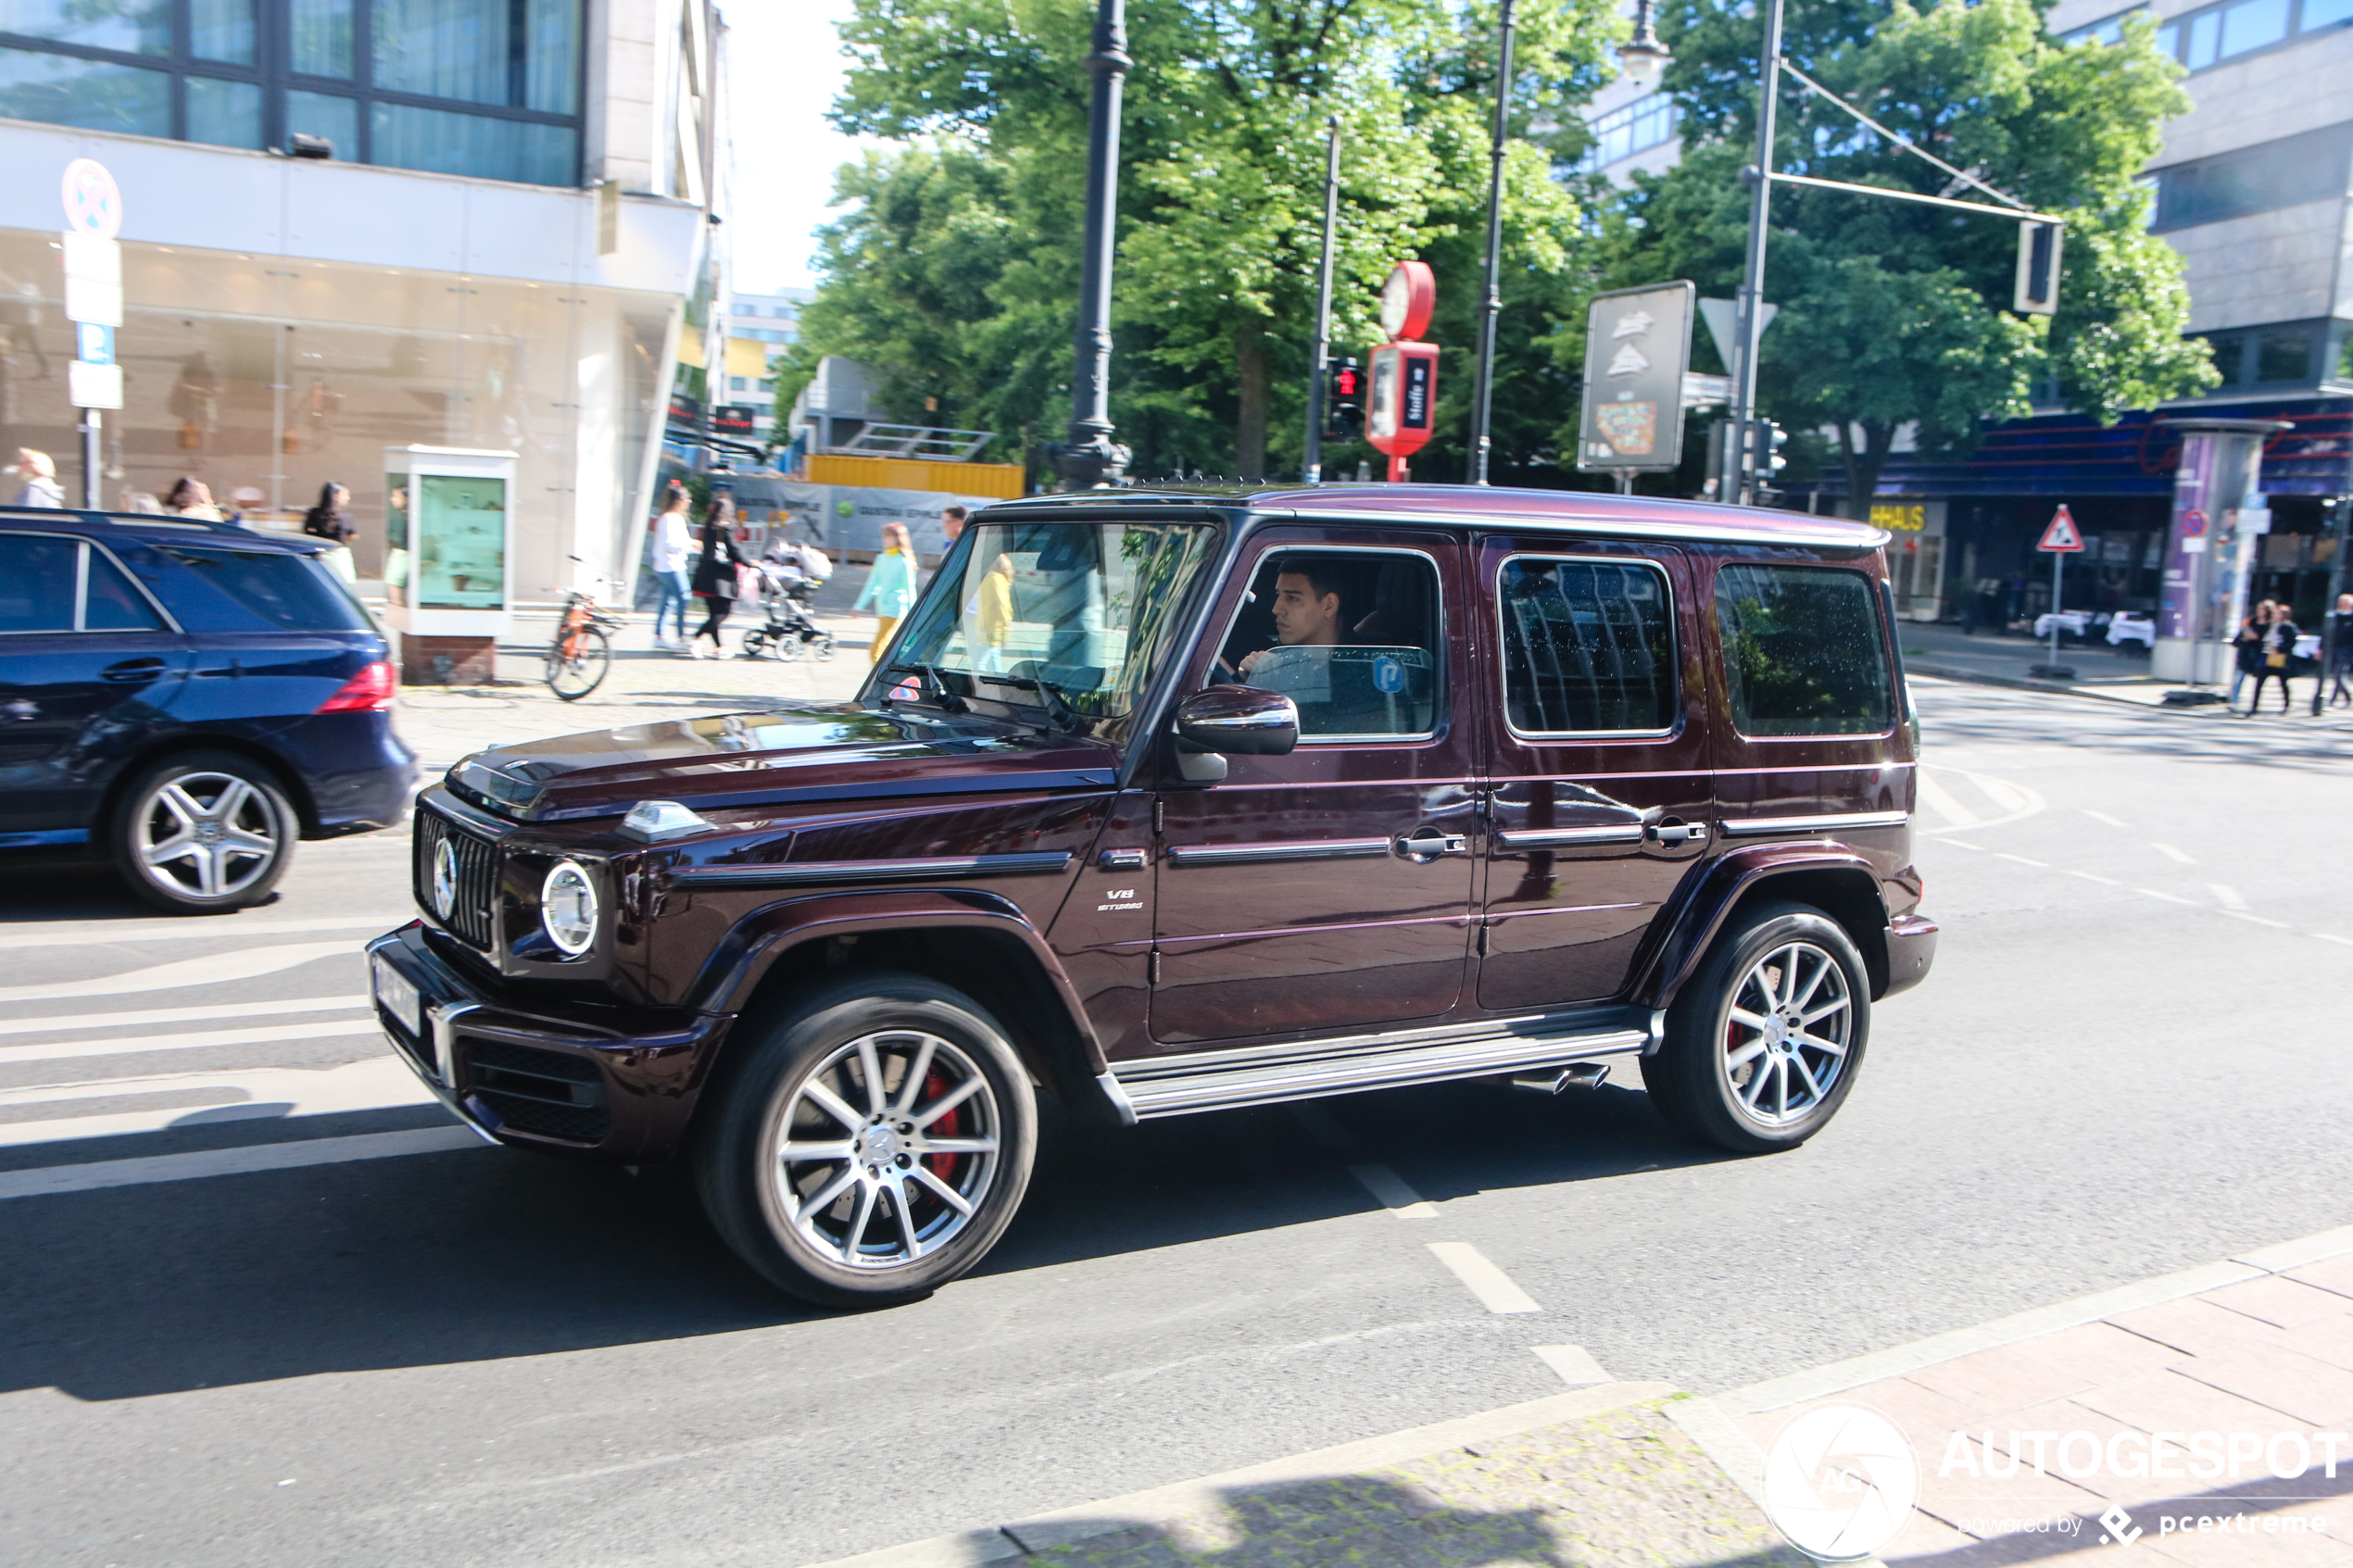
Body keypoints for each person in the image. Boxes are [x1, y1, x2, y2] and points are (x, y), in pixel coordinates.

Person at [687, 495, 750, 659]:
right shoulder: (726, 529)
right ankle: (695, 638)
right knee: (723, 612)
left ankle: (719, 647)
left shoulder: (709, 527)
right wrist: (750, 563)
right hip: (720, 577)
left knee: (714, 613)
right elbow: (734, 551)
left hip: (705, 574)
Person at [854, 521, 920, 666]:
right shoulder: (881, 559)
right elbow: (872, 584)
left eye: (887, 537)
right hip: (882, 610)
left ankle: (877, 684)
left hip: (896, 610)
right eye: (883, 537)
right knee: (885, 650)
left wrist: (914, 614)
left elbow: (910, 589)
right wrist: (859, 605)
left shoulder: (904, 562)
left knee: (875, 650)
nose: (884, 540)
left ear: (897, 539)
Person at [648, 484, 695, 650]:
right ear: (679, 501)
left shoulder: (666, 518)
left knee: (668, 600)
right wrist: (690, 545)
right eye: (686, 499)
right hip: (672, 565)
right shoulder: (672, 519)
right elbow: (670, 543)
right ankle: (682, 637)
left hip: (664, 564)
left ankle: (660, 636)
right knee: (684, 597)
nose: (688, 502)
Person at [2243, 600, 2299, 716]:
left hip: (2280, 657)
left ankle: (2287, 705)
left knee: (2283, 682)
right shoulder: (2270, 625)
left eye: (2277, 614)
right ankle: (2254, 707)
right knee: (2259, 682)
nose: (2274, 615)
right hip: (2266, 655)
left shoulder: (2288, 627)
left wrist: (2279, 649)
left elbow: (2292, 642)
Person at [301, 481, 359, 583]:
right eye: (345, 495)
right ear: (336, 496)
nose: (348, 498)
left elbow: (307, 533)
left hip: (318, 556)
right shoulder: (345, 517)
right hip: (340, 556)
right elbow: (352, 536)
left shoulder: (314, 514)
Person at [2230, 602, 2270, 708]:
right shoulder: (2251, 622)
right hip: (2246, 655)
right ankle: (2234, 701)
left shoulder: (2269, 626)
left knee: (2258, 682)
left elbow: (2263, 639)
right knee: (2238, 678)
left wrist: (2255, 637)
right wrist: (2246, 637)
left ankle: (2254, 704)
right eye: (2258, 609)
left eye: (2262, 609)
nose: (2259, 611)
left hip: (2258, 655)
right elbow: (2240, 637)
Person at [2319, 592, 2353, 712]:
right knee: (2335, 675)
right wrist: (2320, 647)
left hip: (2346, 650)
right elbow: (2325, 633)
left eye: (2344, 603)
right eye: (2340, 602)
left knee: (2339, 673)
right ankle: (2348, 696)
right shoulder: (2334, 617)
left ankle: (2332, 700)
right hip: (2332, 648)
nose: (2341, 605)